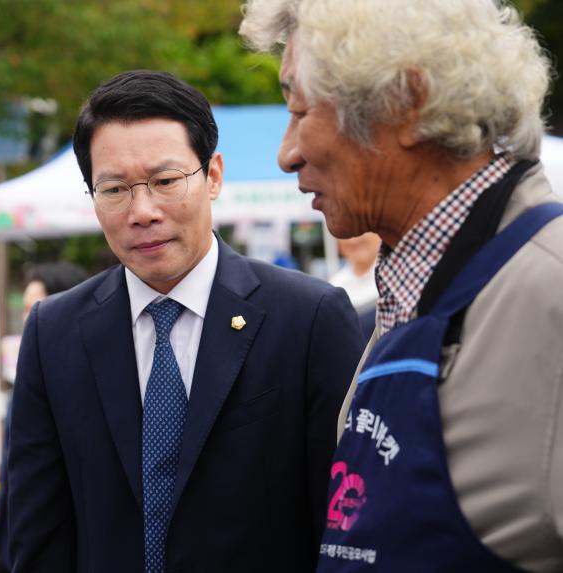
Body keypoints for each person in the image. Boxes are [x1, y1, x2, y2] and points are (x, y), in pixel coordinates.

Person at [240, 1, 563, 571]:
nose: (286, 154)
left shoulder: (549, 289)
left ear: (407, 104)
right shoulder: (409, 292)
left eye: (299, 109)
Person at [7, 70, 364, 573]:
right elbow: (37, 534)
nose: (143, 210)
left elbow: (346, 525)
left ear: (213, 175)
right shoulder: (54, 333)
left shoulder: (308, 321)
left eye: (166, 181)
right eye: (114, 189)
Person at [0, 262, 89, 573]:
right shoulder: (34, 368)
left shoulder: (81, 381)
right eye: (24, 309)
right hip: (15, 530)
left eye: (35, 307)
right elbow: (21, 455)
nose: (27, 318)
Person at [328, 233, 381, 339]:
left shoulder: (391, 280)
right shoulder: (335, 283)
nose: (353, 241)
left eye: (361, 233)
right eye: (347, 235)